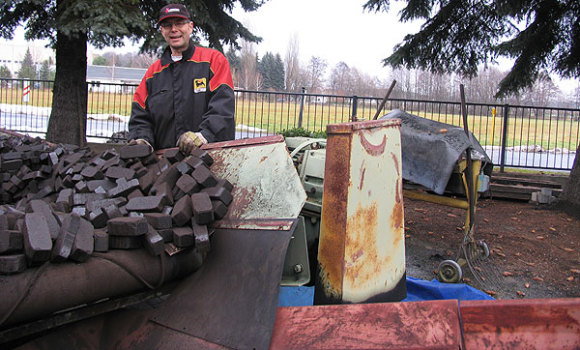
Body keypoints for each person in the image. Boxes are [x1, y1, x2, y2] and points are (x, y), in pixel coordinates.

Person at [128, 3, 235, 154]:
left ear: (190, 27)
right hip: (164, 164)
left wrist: (204, 136)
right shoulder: (153, 73)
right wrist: (142, 139)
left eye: (179, 23)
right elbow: (140, 117)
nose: (174, 29)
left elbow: (223, 108)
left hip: (211, 160)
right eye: (167, 25)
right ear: (162, 31)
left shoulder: (213, 61)